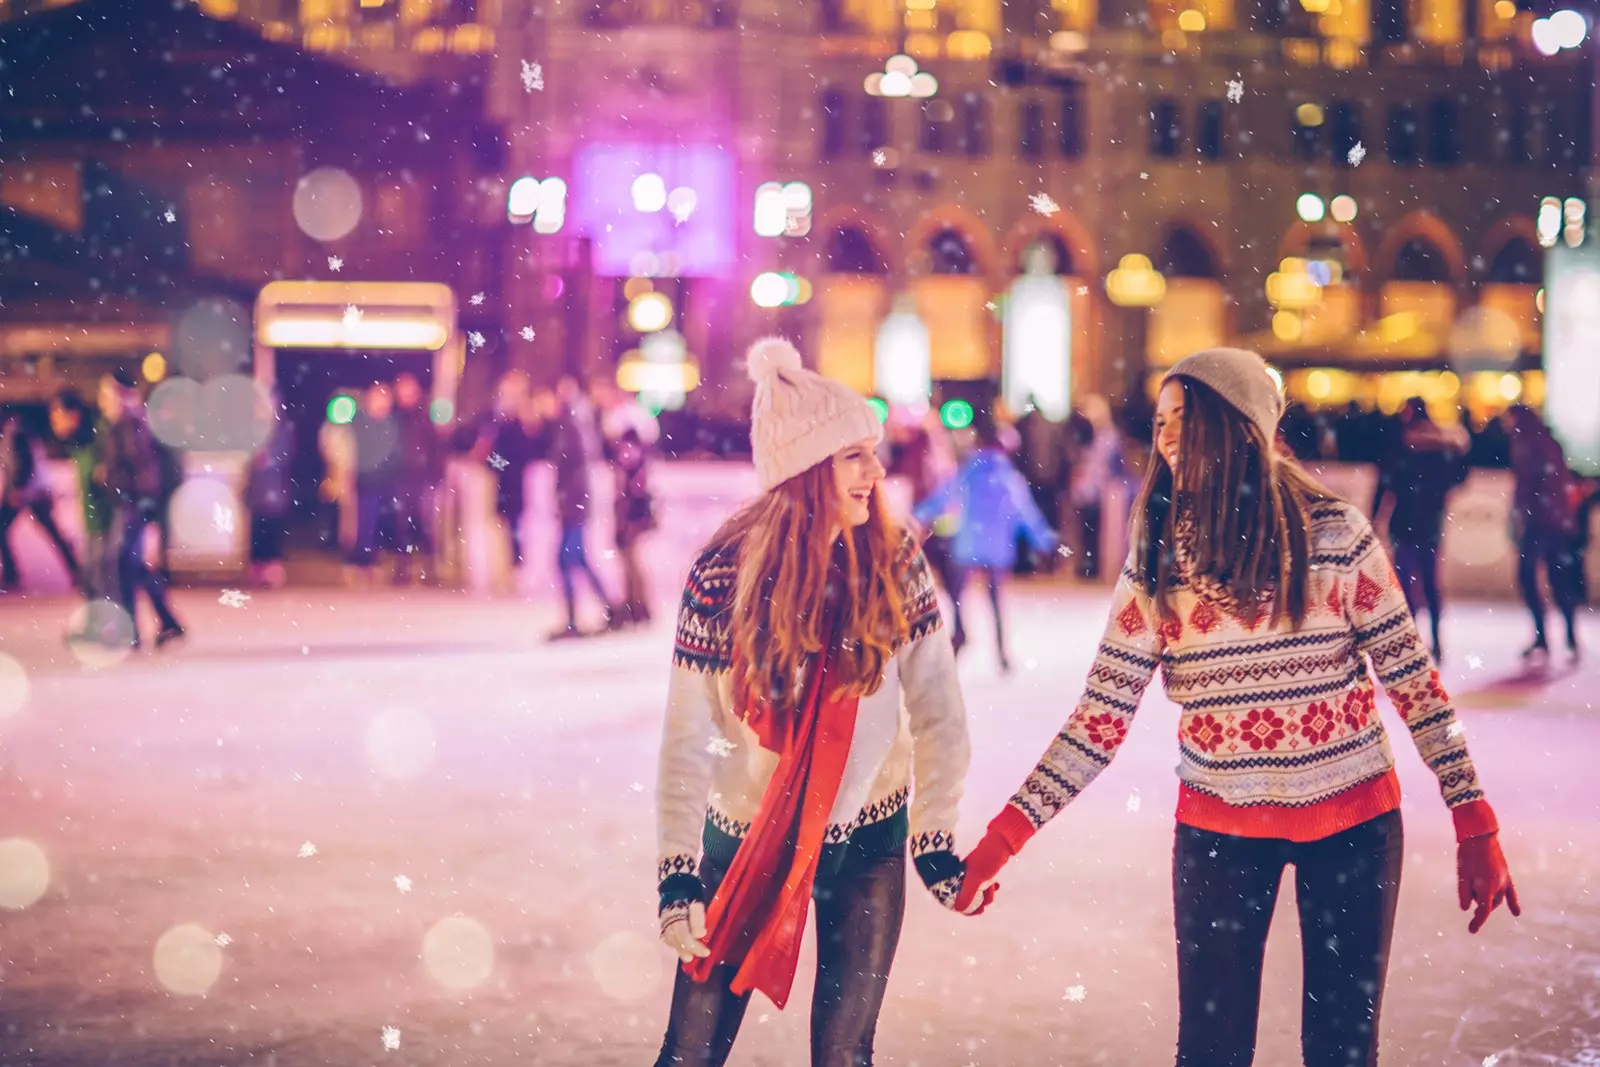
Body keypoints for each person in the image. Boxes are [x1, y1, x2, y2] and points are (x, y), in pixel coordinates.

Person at [955, 348, 1518, 1067]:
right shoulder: (1159, 560)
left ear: (1240, 424)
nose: (1166, 437)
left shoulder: (1337, 535)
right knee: (1212, 1052)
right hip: (1220, 831)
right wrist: (1003, 837)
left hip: (1353, 824)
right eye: (1160, 422)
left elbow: (1412, 681)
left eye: (1185, 419)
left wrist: (1474, 817)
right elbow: (1099, 719)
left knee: (1342, 1050)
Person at [652, 337, 987, 1067]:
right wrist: (678, 868)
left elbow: (938, 711)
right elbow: (688, 733)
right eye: (853, 456)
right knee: (690, 1051)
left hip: (868, 841)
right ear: (806, 470)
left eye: (873, 450)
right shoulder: (722, 574)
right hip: (747, 838)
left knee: (845, 1057)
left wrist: (932, 834)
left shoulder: (895, 561)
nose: (876, 471)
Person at [913, 407, 1057, 671]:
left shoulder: (968, 472)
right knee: (995, 599)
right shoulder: (1010, 478)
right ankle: (1001, 649)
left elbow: (942, 497)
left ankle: (959, 632)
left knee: (957, 594)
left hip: (967, 544)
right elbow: (1027, 515)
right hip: (996, 548)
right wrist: (1045, 541)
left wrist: (916, 515)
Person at [1373, 398, 1469, 662]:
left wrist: (1376, 517)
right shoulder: (1440, 450)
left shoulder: (1401, 446)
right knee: (1428, 583)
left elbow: (1385, 484)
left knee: (1406, 585)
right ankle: (1434, 641)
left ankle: (1413, 640)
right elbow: (1459, 477)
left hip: (1406, 524)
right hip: (1428, 525)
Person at [97, 372, 185, 650]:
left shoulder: (129, 423)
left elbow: (140, 469)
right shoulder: (132, 421)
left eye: (106, 394)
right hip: (134, 503)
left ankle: (136, 630)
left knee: (124, 565)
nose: (103, 400)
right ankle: (161, 623)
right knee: (130, 566)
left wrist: (115, 483)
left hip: (132, 504)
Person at [1504, 404, 1583, 661]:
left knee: (1531, 577)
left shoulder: (1530, 446)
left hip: (1541, 523)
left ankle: (1547, 637)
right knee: (1557, 579)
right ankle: (1565, 637)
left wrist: (1520, 517)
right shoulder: (1546, 443)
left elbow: (1529, 488)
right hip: (1553, 522)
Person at [547, 376, 618, 639]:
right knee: (575, 559)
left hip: (575, 505)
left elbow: (574, 467)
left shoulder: (572, 424)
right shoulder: (574, 423)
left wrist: (569, 502)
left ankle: (582, 616)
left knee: (568, 559)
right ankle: (608, 608)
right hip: (574, 504)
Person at [49, 390, 116, 637]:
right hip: (92, 521)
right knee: (90, 577)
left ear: (74, 415)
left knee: (100, 577)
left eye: (58, 416)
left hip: (106, 520)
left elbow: (108, 476)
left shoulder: (98, 436)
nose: (54, 423)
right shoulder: (78, 442)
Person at [0, 408, 82, 592]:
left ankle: (12, 573)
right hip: (34, 491)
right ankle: (76, 570)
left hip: (25, 491)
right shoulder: (21, 430)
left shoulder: (14, 432)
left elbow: (22, 462)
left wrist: (17, 487)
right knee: (52, 532)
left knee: (2, 529)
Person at [392, 373, 444, 585]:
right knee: (401, 524)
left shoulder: (423, 417)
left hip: (422, 478)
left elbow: (436, 449)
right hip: (401, 477)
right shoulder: (395, 419)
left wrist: (435, 476)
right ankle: (402, 568)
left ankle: (429, 568)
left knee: (425, 523)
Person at [347, 383, 400, 587]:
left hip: (387, 483)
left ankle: (376, 559)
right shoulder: (360, 422)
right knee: (364, 523)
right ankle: (362, 561)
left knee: (380, 523)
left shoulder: (392, 423)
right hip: (366, 482)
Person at [247, 392, 294, 589]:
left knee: (272, 527)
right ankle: (258, 567)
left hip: (274, 487)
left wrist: (269, 459)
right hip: (258, 489)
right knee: (258, 527)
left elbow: (286, 454)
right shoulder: (253, 430)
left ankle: (272, 567)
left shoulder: (282, 430)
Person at [611, 426, 656, 626]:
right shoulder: (638, 462)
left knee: (631, 562)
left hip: (631, 518)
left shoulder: (631, 462)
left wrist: (627, 518)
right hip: (632, 518)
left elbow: (632, 493)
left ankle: (637, 605)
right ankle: (635, 604)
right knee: (630, 561)